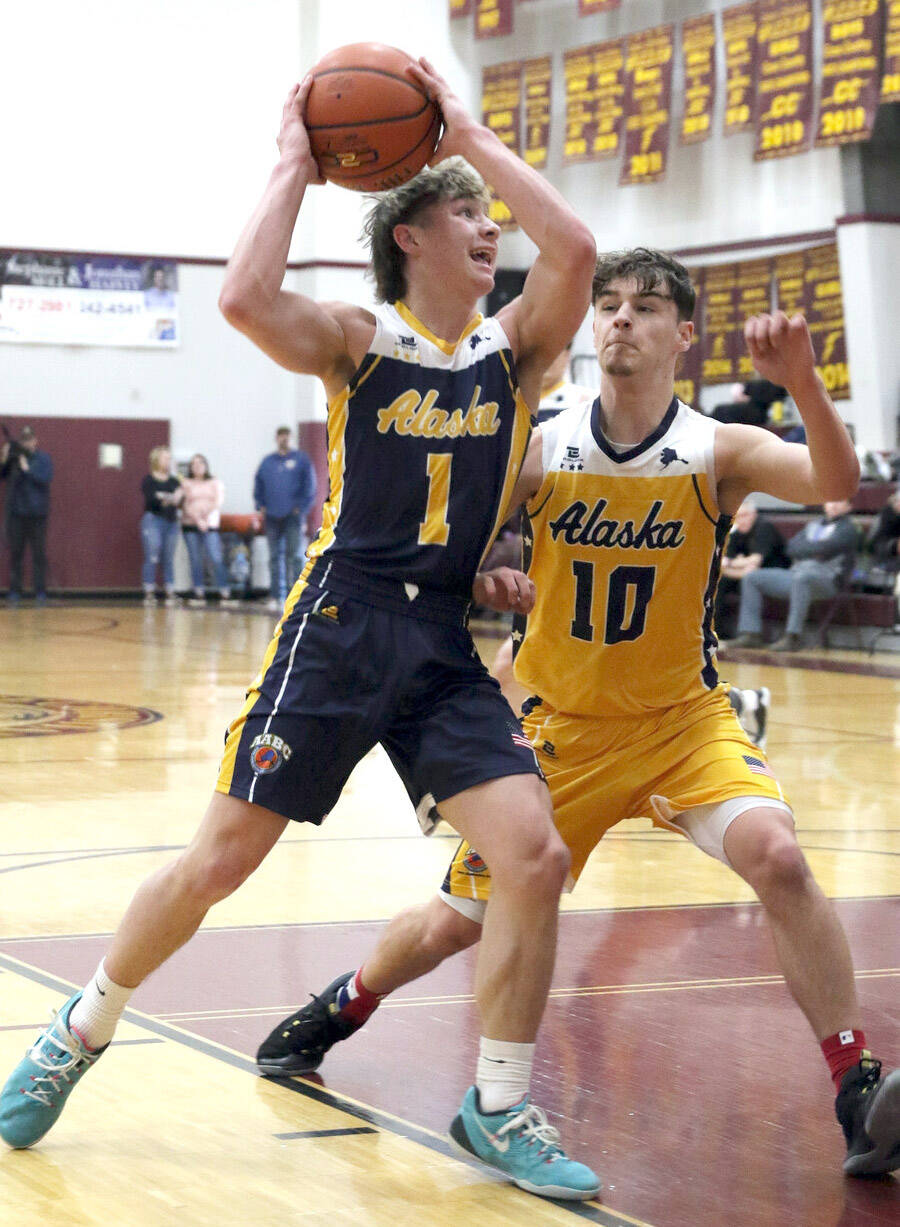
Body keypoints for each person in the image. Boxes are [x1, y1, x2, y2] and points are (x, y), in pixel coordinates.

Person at [0, 61, 601, 1200]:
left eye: (487, 213)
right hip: (340, 626)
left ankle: (500, 1104)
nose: (490, 230)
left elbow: (571, 250)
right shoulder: (354, 340)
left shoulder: (510, 350)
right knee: (221, 860)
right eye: (467, 213)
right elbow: (239, 299)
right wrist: (292, 159)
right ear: (409, 235)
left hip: (436, 642)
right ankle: (75, 1031)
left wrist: (466, 131)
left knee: (535, 855)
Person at [257, 249, 899, 1180]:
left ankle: (854, 1083)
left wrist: (799, 379)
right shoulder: (541, 444)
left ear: (684, 335)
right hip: (563, 734)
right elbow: (440, 539)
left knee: (782, 854)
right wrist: (481, 572)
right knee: (452, 925)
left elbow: (834, 480)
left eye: (644, 307)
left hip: (684, 725)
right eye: (607, 305)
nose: (619, 321)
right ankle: (346, 1001)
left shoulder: (718, 448)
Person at [731, 500, 857, 652]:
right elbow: (791, 548)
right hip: (797, 574)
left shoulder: (849, 529)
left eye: (839, 501)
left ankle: (793, 636)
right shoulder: (813, 525)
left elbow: (829, 548)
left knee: (802, 578)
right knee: (752, 577)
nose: (833, 505)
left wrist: (808, 548)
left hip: (828, 581)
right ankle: (751, 634)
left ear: (848, 507)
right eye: (830, 501)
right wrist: (815, 550)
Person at [253, 426, 317, 611]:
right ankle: (276, 596)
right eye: (281, 436)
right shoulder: (267, 462)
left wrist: (302, 509)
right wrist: (260, 505)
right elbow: (258, 484)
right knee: (274, 557)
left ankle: (296, 596)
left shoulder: (301, 460)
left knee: (295, 556)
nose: (284, 440)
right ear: (276, 438)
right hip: (272, 516)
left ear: (292, 438)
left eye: (287, 437)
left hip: (293, 517)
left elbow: (310, 487)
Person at [715, 498, 788, 639]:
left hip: (774, 574)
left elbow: (755, 561)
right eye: (737, 518)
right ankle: (717, 632)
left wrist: (731, 563)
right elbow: (721, 565)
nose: (740, 521)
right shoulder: (736, 534)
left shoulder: (764, 527)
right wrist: (740, 567)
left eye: (744, 516)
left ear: (754, 514)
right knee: (718, 581)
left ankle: (750, 635)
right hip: (746, 576)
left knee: (744, 578)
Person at [0, 425, 53, 605]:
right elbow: (3, 475)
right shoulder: (15, 458)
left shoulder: (43, 458)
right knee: (16, 554)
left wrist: (27, 469)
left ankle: (40, 592)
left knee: (39, 554)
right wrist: (5, 458)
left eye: (29, 439)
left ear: (35, 440)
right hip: (18, 514)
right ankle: (15, 591)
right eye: (24, 440)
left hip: (38, 515)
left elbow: (45, 478)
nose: (27, 442)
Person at [180, 453, 235, 606]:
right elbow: (184, 504)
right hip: (191, 525)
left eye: (200, 463)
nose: (197, 466)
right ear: (190, 467)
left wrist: (205, 517)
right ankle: (198, 592)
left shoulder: (215, 482)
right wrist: (197, 519)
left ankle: (224, 592)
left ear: (206, 465)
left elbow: (218, 501)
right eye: (194, 464)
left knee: (215, 557)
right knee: (195, 559)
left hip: (210, 525)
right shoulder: (186, 483)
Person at [140, 445, 182, 606]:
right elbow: (152, 499)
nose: (168, 461)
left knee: (168, 557)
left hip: (171, 522)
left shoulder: (174, 481)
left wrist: (167, 498)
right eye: (165, 458)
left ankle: (170, 590)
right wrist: (169, 498)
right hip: (153, 520)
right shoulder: (149, 480)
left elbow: (179, 500)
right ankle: (149, 590)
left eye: (169, 458)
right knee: (153, 553)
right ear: (156, 460)